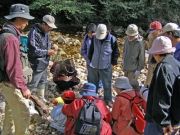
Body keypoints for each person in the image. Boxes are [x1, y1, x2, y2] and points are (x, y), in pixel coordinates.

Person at [0, 4, 34, 135]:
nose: (27, 22)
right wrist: (23, 87)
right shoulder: (12, 39)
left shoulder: (4, 33)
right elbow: (14, 67)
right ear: (18, 18)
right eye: (26, 19)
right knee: (23, 115)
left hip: (5, 83)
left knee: (10, 110)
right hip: (13, 85)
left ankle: (7, 133)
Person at [144, 36, 180, 135]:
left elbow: (161, 97)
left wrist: (164, 122)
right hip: (174, 118)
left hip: (159, 122)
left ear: (156, 53)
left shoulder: (163, 68)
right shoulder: (177, 64)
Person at [27, 15, 58, 103]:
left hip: (44, 62)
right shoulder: (33, 32)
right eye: (49, 27)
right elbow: (33, 50)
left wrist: (52, 47)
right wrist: (47, 52)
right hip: (36, 63)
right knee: (33, 83)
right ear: (43, 24)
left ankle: (41, 97)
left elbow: (46, 45)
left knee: (42, 81)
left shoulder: (46, 32)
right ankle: (25, 100)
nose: (50, 29)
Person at [88, 24, 120, 107]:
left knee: (107, 84)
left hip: (106, 66)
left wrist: (113, 63)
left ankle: (108, 99)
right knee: (92, 83)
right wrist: (90, 61)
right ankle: (92, 98)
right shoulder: (94, 37)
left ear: (106, 32)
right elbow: (91, 49)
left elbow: (116, 53)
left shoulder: (112, 39)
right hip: (94, 66)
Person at [80, 23, 103, 90]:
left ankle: (99, 88)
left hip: (98, 62)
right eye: (89, 33)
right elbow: (83, 49)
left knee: (99, 76)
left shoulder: (100, 38)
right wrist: (85, 56)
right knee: (90, 76)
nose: (90, 35)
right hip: (89, 61)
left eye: (92, 33)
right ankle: (90, 88)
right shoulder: (86, 37)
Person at [122, 24, 145, 90]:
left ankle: (137, 98)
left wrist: (138, 70)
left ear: (135, 35)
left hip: (133, 70)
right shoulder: (126, 39)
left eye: (131, 36)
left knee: (133, 87)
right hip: (126, 67)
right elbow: (124, 51)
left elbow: (142, 58)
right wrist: (123, 61)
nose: (129, 37)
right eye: (128, 35)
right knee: (126, 86)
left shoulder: (139, 43)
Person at [144, 21, 162, 87]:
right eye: (151, 31)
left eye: (153, 31)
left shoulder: (164, 39)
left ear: (159, 30)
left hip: (161, 63)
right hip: (152, 61)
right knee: (149, 82)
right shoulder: (150, 37)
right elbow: (149, 49)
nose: (152, 33)